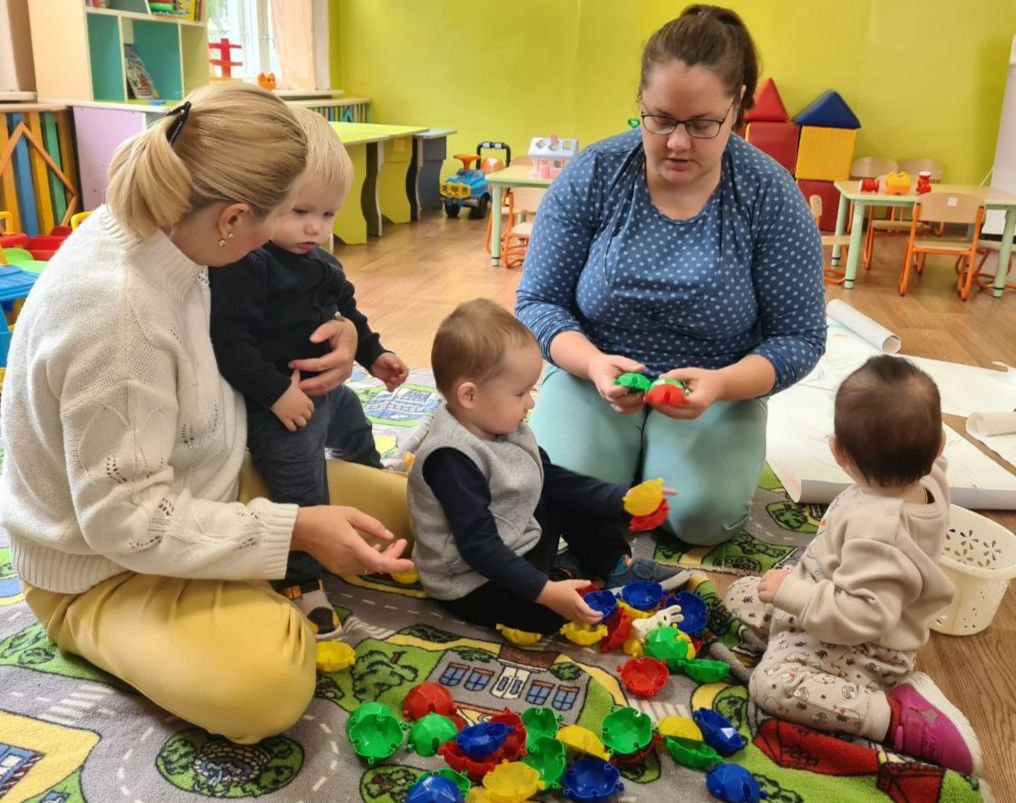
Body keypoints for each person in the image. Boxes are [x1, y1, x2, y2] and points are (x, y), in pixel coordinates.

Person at [0, 83, 412, 745]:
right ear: (233, 220)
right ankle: (105, 620)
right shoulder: (118, 316)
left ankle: (240, 580)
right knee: (267, 685)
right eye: (272, 226)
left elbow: (264, 316)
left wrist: (338, 333)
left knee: (411, 509)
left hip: (208, 474)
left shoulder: (180, 230)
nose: (276, 247)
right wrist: (292, 530)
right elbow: (123, 520)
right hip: (104, 566)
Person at [515, 4, 826, 548]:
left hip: (718, 391)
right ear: (640, 103)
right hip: (595, 379)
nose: (677, 143)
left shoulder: (770, 195)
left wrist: (724, 384)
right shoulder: (595, 172)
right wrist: (592, 363)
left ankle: (654, 458)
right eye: (659, 119)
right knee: (562, 504)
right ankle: (629, 455)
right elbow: (538, 302)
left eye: (703, 124)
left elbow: (799, 336)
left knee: (703, 518)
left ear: (737, 109)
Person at [725, 356, 980, 776]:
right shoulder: (932, 475)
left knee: (772, 686)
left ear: (838, 452)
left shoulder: (877, 531)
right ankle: (787, 630)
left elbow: (863, 617)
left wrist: (794, 594)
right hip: (829, 599)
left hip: (865, 649)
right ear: (939, 447)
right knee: (743, 594)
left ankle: (895, 714)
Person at [210, 108, 409, 638]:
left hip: (325, 391)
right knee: (299, 488)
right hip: (278, 403)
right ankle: (301, 578)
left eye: (327, 214)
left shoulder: (322, 260)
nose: (315, 228)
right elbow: (229, 345)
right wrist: (276, 395)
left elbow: (347, 312)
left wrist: (374, 354)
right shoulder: (246, 266)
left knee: (354, 425)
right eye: (299, 211)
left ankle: (367, 479)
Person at [407, 299, 684, 635]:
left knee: (569, 495)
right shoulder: (450, 457)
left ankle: (611, 564)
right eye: (521, 393)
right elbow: (479, 548)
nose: (531, 402)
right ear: (469, 396)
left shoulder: (498, 421)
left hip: (516, 536)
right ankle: (566, 574)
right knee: (553, 617)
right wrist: (545, 590)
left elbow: (552, 479)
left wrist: (621, 498)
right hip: (472, 579)